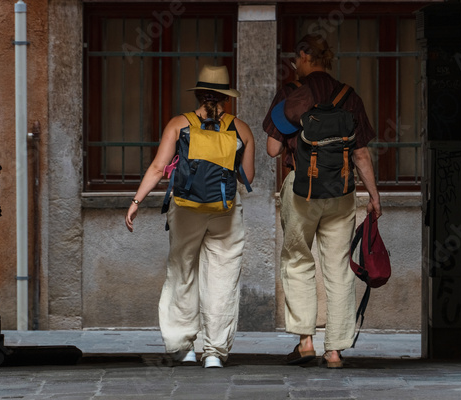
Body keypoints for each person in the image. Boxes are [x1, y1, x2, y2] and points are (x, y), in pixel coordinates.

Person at [263, 34, 381, 369]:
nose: (293, 64)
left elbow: (273, 150)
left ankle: (305, 342)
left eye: (294, 58)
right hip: (342, 193)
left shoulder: (291, 94)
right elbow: (360, 154)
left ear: (303, 56)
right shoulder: (348, 96)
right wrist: (373, 196)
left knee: (298, 261)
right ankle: (335, 351)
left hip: (302, 192)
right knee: (339, 268)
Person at [125, 65, 255, 369]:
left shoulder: (178, 124)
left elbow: (158, 169)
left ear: (197, 94)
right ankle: (214, 352)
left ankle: (182, 347)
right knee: (222, 278)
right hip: (225, 211)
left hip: (185, 209)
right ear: (226, 97)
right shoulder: (241, 129)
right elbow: (247, 177)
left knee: (182, 272)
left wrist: (136, 201)